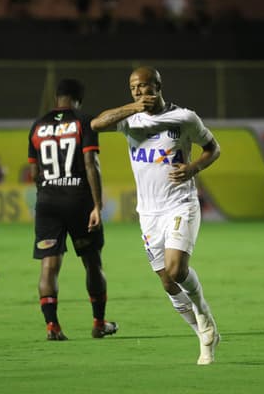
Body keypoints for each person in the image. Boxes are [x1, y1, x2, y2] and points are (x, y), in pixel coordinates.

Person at [91, 66, 221, 365]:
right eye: (133, 87)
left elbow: (213, 149)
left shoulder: (184, 118)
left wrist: (192, 168)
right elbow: (97, 124)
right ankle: (203, 334)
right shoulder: (129, 120)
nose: (139, 91)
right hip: (148, 213)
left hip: (180, 204)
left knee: (177, 269)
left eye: (144, 86)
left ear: (159, 86)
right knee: (166, 282)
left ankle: (203, 314)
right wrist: (131, 108)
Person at [27, 78, 117, 341]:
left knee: (48, 266)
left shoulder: (38, 124)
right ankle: (99, 323)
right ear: (80, 98)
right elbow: (91, 164)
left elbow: (34, 171)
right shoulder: (83, 121)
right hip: (78, 200)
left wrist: (47, 192)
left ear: (56, 98)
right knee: (92, 262)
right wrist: (97, 205)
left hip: (47, 202)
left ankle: (52, 326)